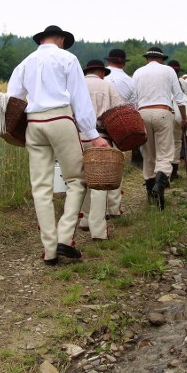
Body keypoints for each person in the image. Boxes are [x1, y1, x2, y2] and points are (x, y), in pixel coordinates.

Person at [6, 25, 110, 266]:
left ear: (41, 40)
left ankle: (49, 250)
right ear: (61, 39)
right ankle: (65, 237)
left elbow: (12, 97)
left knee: (40, 187)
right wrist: (93, 134)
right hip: (60, 120)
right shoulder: (67, 58)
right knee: (76, 180)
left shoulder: (25, 63)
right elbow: (79, 99)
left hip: (34, 124)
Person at [132, 47, 187, 210]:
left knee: (149, 153)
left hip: (142, 112)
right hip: (162, 111)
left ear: (147, 59)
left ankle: (152, 195)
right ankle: (160, 183)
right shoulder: (169, 71)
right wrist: (183, 118)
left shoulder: (138, 73)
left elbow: (134, 99)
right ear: (162, 59)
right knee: (165, 152)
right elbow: (179, 97)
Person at [77, 59, 123, 240]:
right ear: (101, 72)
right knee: (99, 184)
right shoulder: (107, 86)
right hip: (101, 137)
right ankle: (98, 230)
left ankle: (84, 219)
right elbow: (118, 111)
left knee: (81, 180)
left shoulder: (77, 85)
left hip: (77, 137)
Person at [103, 48, 136, 217]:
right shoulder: (129, 81)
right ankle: (114, 208)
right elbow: (133, 108)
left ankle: (97, 209)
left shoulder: (102, 78)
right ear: (123, 62)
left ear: (108, 61)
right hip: (119, 127)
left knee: (98, 167)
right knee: (116, 165)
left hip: (97, 127)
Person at [166, 60, 187, 181]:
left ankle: (164, 173)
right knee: (177, 143)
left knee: (165, 144)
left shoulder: (163, 81)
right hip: (178, 113)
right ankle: (174, 171)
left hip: (166, 113)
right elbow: (186, 98)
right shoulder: (182, 82)